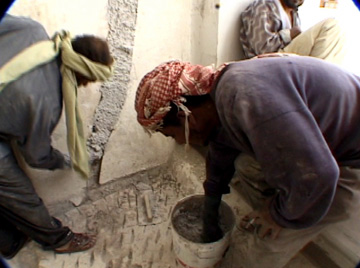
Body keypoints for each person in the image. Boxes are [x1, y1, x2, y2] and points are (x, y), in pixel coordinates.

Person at [134, 56, 360, 268]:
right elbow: (220, 157)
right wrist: (209, 213)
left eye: (173, 135)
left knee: (257, 250)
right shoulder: (222, 94)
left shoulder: (244, 97)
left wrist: (277, 216)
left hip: (344, 165)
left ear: (186, 117)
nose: (180, 141)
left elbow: (319, 175)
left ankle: (284, 217)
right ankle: (282, 205)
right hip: (321, 148)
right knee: (245, 166)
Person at [0, 14, 113, 258]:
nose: (84, 86)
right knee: (22, 196)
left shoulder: (31, 29)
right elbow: (36, 156)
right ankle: (58, 240)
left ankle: (9, 241)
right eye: (87, 81)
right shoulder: (47, 102)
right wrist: (66, 161)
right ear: (80, 74)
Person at [239, 0, 346, 64]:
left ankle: (325, 80)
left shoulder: (294, 13)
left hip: (288, 61)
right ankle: (320, 80)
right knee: (331, 25)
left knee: (337, 37)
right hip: (270, 63)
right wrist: (289, 34)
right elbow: (262, 51)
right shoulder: (263, 6)